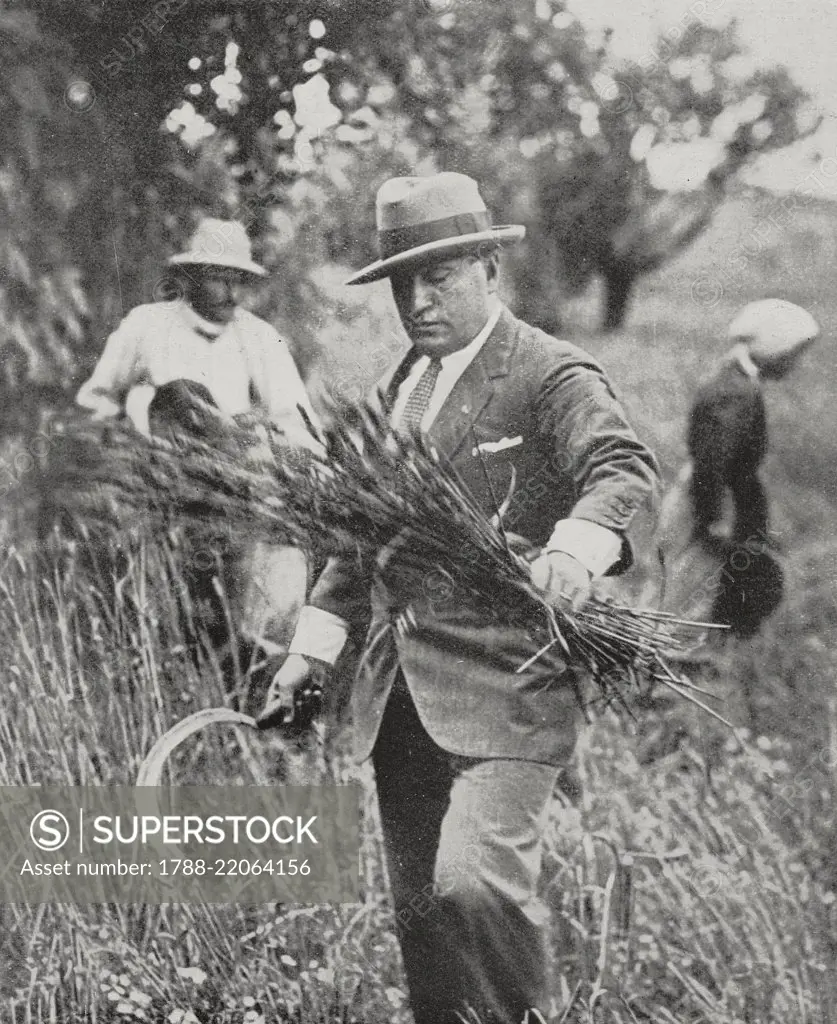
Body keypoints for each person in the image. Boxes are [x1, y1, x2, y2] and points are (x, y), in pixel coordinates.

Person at [258, 172, 660, 1024]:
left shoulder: (548, 374)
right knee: (424, 924)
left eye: (438, 276)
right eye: (403, 282)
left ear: (488, 268)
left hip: (510, 690)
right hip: (398, 700)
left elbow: (620, 468)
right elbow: (361, 545)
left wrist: (575, 550)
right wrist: (311, 652)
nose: (418, 301)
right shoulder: (394, 395)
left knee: (471, 885)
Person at [75, 217, 320, 667]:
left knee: (224, 615)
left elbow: (294, 419)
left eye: (238, 281)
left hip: (229, 497)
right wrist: (137, 422)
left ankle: (238, 685)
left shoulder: (258, 338)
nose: (230, 293)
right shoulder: (147, 326)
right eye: (218, 279)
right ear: (189, 278)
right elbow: (96, 400)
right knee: (160, 613)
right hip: (157, 490)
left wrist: (284, 461)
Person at [656, 298, 820, 638]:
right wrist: (715, 517)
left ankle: (676, 656)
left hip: (715, 496)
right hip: (709, 500)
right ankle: (669, 664)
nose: (796, 363)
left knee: (695, 584)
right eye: (793, 353)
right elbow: (712, 461)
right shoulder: (734, 393)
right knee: (690, 588)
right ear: (773, 349)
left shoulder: (737, 382)